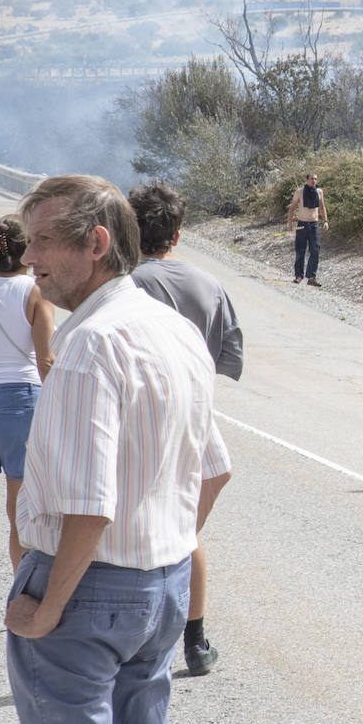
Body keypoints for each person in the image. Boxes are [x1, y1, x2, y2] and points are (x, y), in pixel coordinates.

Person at [8, 175, 232, 724]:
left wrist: (50, 607)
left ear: (97, 243)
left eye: (44, 240)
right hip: (163, 584)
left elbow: (88, 503)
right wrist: (169, 553)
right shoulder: (177, 331)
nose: (27, 256)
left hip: (85, 589)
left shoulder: (89, 346)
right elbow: (215, 470)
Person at [130, 181, 243, 676]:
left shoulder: (122, 284)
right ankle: (195, 642)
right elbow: (226, 358)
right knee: (184, 531)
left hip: (136, 417)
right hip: (195, 419)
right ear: (177, 234)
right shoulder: (207, 284)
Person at [0, 215, 54, 570]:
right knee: (20, 513)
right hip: (20, 403)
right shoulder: (35, 291)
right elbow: (45, 359)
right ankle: (20, 592)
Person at [286, 172, 328, 286]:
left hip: (314, 225)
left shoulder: (319, 192)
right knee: (300, 251)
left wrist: (325, 221)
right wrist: (290, 223)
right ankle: (298, 276)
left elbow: (322, 207)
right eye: (311, 179)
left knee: (315, 251)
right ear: (306, 180)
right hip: (302, 225)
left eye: (315, 179)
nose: (313, 181)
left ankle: (311, 277)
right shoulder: (299, 192)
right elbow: (292, 208)